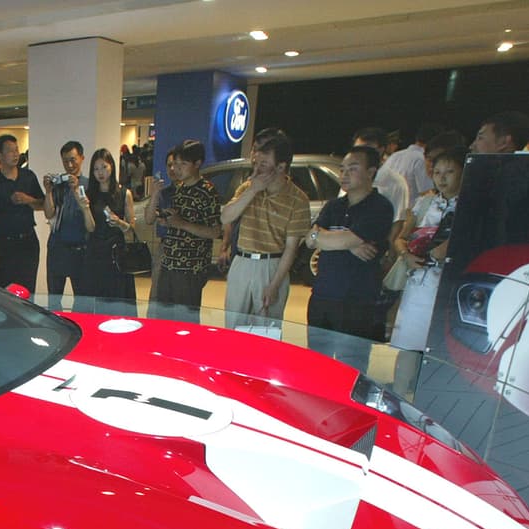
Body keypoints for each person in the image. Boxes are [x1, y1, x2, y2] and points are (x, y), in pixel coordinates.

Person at [303, 145, 395, 372]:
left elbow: (324, 237)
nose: (344, 174)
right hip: (322, 297)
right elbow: (309, 240)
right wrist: (348, 243)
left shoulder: (380, 207)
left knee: (350, 369)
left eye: (352, 169)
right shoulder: (334, 205)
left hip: (356, 303)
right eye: (343, 169)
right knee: (315, 367)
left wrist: (329, 238)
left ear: (371, 172)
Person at [391, 148, 465, 396]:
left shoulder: (471, 206)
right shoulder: (425, 203)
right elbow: (401, 238)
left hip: (449, 288)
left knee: (442, 353)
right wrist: (406, 255)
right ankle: (399, 401)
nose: (442, 178)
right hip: (419, 285)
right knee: (408, 348)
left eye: (450, 172)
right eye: (437, 172)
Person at [220, 131, 310, 328]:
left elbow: (291, 248)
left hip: (272, 265)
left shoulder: (298, 199)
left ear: (281, 166)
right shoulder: (247, 188)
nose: (257, 169)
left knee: (266, 328)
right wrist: (253, 189)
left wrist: (274, 285)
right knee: (233, 326)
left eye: (263, 165)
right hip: (242, 262)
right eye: (255, 163)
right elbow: (226, 216)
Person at [146, 140, 221, 323]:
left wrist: (181, 224)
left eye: (183, 164)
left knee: (186, 321)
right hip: (168, 263)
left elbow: (215, 231)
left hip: (190, 268)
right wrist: (168, 221)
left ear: (197, 164)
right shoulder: (178, 189)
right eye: (174, 164)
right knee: (164, 317)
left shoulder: (207, 191)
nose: (177, 169)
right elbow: (151, 219)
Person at [77, 148, 136, 315]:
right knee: (95, 301)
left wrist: (119, 223)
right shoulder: (90, 194)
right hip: (95, 253)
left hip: (117, 254)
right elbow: (90, 228)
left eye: (104, 167)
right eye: (96, 169)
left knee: (118, 302)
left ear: (112, 167)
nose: (100, 173)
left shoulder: (124, 193)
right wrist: (85, 208)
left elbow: (131, 229)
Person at [0, 134, 44, 293]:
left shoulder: (28, 176)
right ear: (0, 156)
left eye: (16, 150)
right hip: (6, 246)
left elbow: (43, 204)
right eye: (10, 151)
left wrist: (28, 200)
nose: (16, 154)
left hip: (28, 242)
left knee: (28, 289)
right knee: (7, 291)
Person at [41, 140, 88, 311]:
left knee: (82, 301)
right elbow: (48, 213)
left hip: (80, 250)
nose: (69, 165)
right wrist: (48, 191)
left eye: (73, 160)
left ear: (82, 158)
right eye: (65, 160)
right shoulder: (57, 184)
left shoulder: (89, 185)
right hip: (57, 248)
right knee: (54, 300)